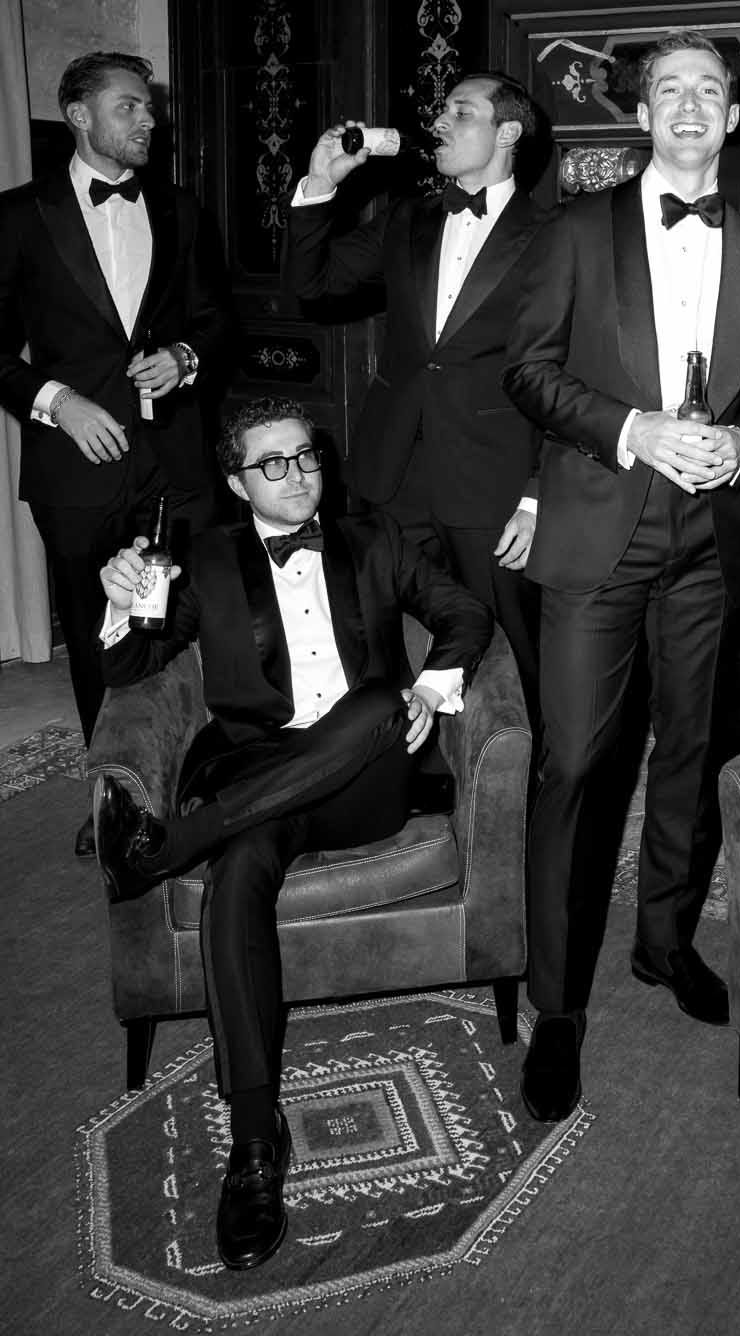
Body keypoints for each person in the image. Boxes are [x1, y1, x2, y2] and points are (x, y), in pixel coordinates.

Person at [94, 396, 493, 1273]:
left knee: (380, 702)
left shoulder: (375, 538)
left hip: (366, 776)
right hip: (255, 784)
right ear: (238, 484)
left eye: (305, 456)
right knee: (240, 876)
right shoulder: (201, 559)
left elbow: (466, 613)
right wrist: (120, 600)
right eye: (271, 463)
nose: (297, 474)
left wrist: (431, 689)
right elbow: (128, 668)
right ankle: (251, 1146)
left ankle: (164, 849)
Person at [502, 30, 740, 1122]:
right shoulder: (577, 230)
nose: (687, 105)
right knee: (575, 763)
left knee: (697, 750)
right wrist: (633, 429)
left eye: (708, 90)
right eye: (668, 89)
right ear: (642, 114)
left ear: (734, 118)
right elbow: (527, 371)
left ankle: (664, 940)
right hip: (599, 535)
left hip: (712, 545)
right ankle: (557, 1006)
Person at [0, 50, 235, 852]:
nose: (150, 120)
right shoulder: (17, 215)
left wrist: (186, 358)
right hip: (73, 470)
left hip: (178, 461)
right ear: (79, 115)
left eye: (149, 107)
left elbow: (214, 323)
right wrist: (56, 403)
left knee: (188, 624)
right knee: (97, 638)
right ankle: (115, 801)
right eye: (131, 107)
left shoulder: (179, 208)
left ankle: (198, 782)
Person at [283, 71, 552, 739]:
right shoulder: (407, 218)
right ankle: (405, 770)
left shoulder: (555, 233)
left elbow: (573, 373)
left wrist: (539, 492)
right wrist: (321, 183)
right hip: (392, 472)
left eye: (461, 112)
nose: (440, 122)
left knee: (512, 651)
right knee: (385, 639)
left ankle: (523, 774)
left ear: (507, 132)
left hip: (493, 481)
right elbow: (311, 289)